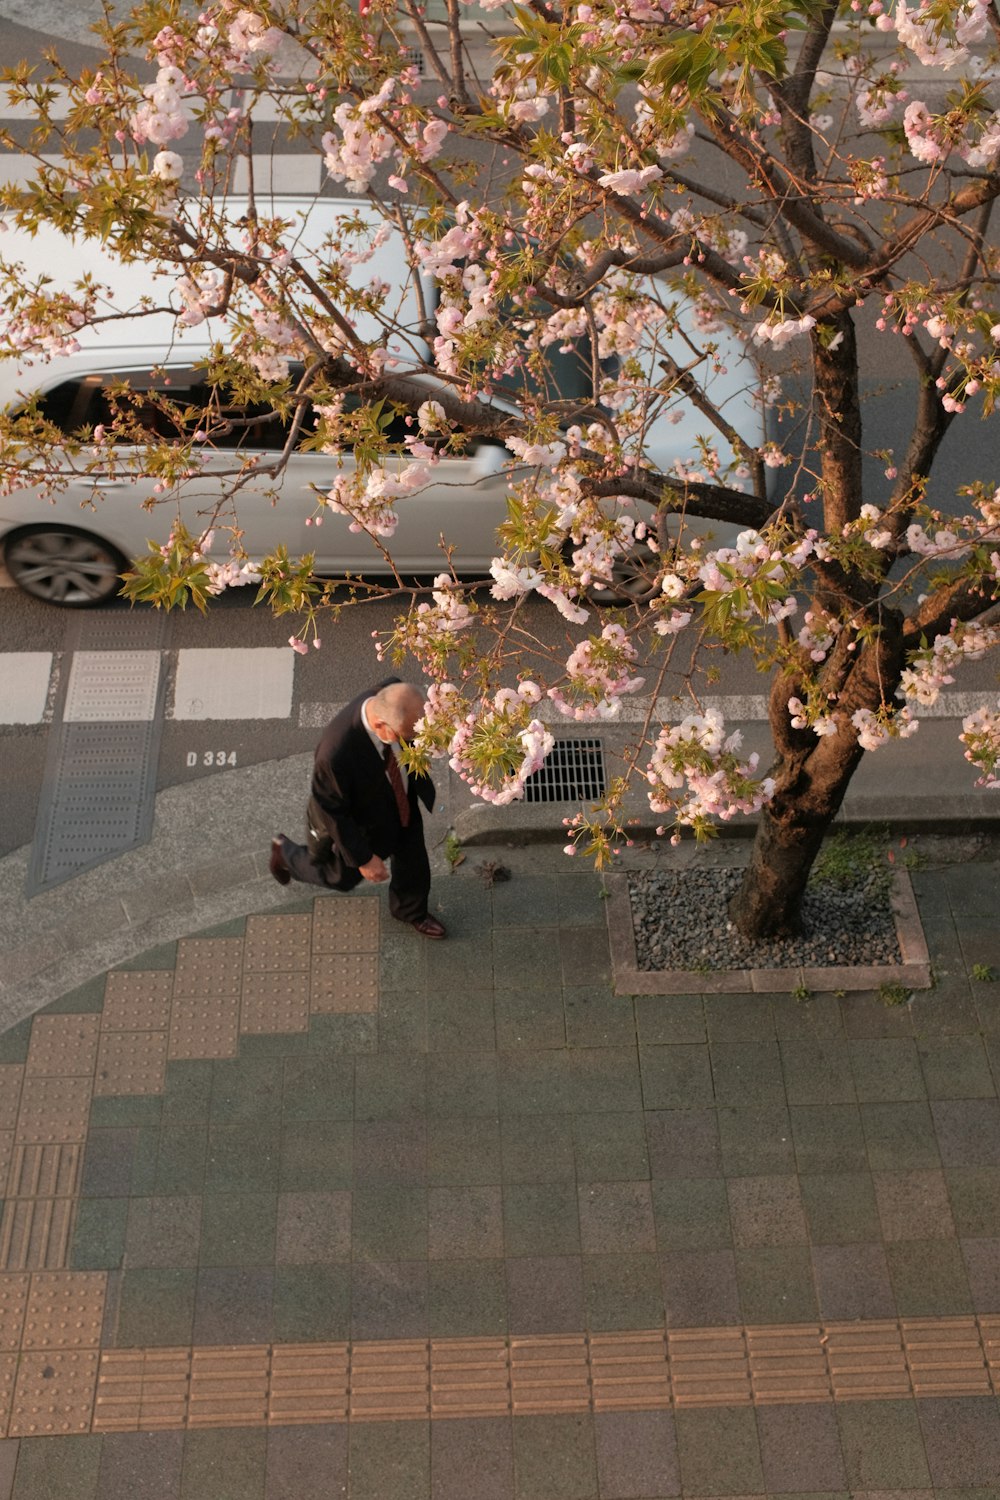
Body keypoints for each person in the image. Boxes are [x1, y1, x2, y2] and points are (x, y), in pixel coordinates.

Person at [269, 678, 446, 938]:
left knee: (413, 860)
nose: (415, 739)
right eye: (407, 736)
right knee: (341, 877)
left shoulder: (391, 693)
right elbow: (331, 809)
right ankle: (286, 854)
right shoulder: (335, 754)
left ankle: (411, 911)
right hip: (365, 820)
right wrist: (364, 859)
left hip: (401, 799)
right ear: (380, 726)